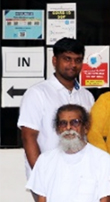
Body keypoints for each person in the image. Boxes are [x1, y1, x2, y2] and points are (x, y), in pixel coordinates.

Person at [18, 38, 94, 182]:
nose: (73, 65)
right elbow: (28, 137)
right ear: (54, 61)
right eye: (67, 59)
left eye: (78, 60)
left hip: (80, 176)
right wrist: (41, 176)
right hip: (48, 176)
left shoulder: (87, 96)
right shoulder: (37, 93)